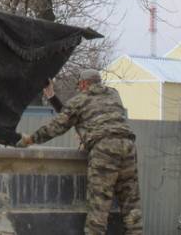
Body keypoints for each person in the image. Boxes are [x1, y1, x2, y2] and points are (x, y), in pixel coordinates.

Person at [19, 69, 142, 235]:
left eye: (79, 85)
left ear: (84, 83)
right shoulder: (114, 94)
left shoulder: (80, 100)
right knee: (131, 204)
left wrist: (30, 139)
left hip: (104, 149)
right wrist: (52, 96)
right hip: (128, 147)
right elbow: (86, 115)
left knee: (99, 207)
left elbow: (58, 125)